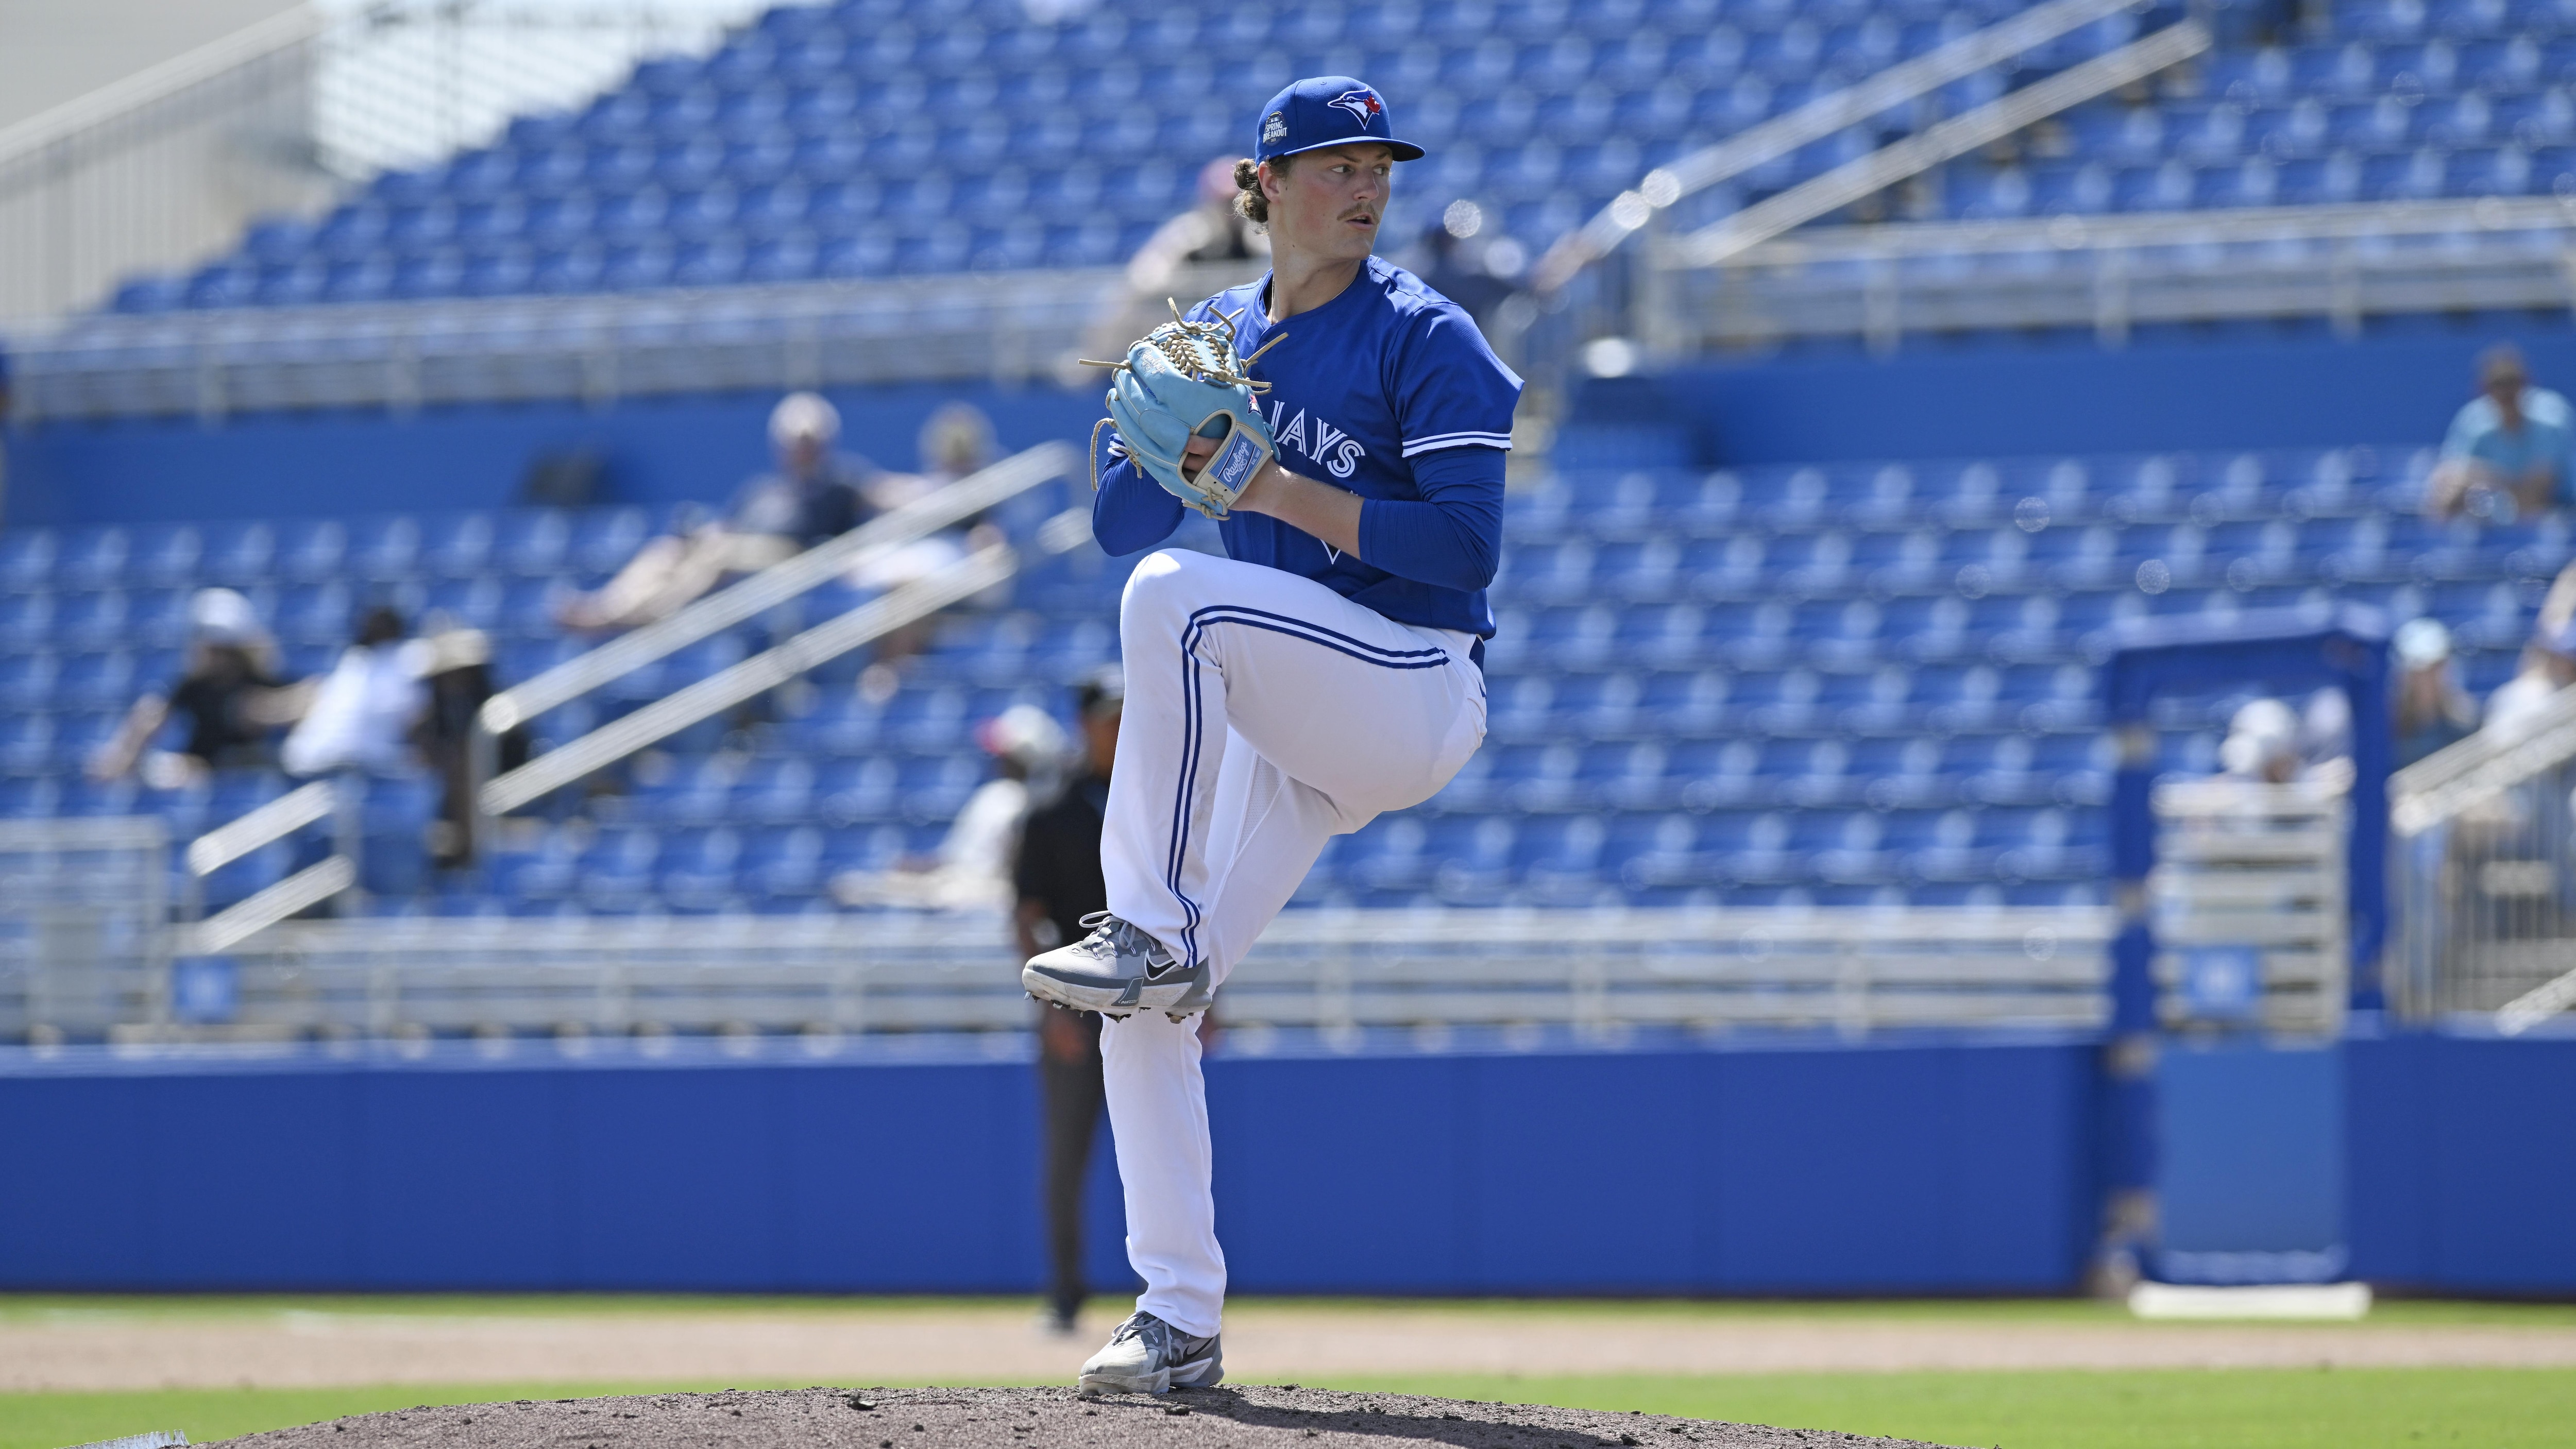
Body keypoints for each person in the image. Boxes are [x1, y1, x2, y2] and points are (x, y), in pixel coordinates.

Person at [1019, 77, 1513, 1395]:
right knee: (1143, 1002)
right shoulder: (1218, 337)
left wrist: (1268, 483)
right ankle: (1176, 1314)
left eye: (1378, 164)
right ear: (1264, 187)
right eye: (1335, 163)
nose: (1365, 185)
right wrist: (1139, 422)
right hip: (1291, 708)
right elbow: (1124, 526)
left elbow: (1467, 548)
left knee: (1175, 604)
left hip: (1412, 681)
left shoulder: (1425, 334)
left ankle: (1150, 919)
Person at [555, 391, 876, 632]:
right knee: (669, 549)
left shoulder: (841, 481)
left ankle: (650, 617)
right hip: (737, 547)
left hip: (790, 558)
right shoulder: (761, 489)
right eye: (794, 440)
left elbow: (887, 494)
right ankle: (608, 608)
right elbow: (727, 526)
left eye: (809, 440)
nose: (802, 449)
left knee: (720, 553)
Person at [1012, 668, 1123, 1337]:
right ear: (1084, 723)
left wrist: (1212, 997)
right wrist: (1051, 1005)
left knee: (1169, 1151)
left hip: (1153, 996)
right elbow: (1028, 916)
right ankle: (1066, 1292)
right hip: (1076, 1002)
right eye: (1110, 716)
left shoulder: (1156, 796)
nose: (1121, 726)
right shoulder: (1053, 810)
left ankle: (1172, 1298)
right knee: (1067, 1158)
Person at [832, 703, 1064, 910]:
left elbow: (1010, 875)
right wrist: (916, 868)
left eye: (1007, 757)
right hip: (960, 884)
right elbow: (957, 860)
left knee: (883, 892)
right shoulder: (998, 795)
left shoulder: (1025, 805)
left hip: (985, 897)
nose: (998, 762)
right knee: (861, 886)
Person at [88, 588, 304, 788]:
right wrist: (126, 752)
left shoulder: (260, 681)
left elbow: (306, 697)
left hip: (249, 772)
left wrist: (271, 711)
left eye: (220, 649)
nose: (212, 655)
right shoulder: (193, 686)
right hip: (202, 770)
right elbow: (152, 717)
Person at [2426, 344, 2575, 522]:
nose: (2506, 392)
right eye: (2498, 384)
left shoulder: (2552, 421)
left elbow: (2542, 484)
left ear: (2527, 383)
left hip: (2557, 512)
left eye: (2513, 381)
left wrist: (2486, 476)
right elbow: (2449, 476)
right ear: (2483, 389)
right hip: (2489, 507)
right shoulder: (2472, 423)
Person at [282, 606, 428, 778]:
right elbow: (415, 718)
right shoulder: (406, 658)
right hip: (352, 760)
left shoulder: (353, 659)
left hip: (306, 757)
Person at [2393, 618, 2480, 768]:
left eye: (2436, 667)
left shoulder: (2467, 721)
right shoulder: (2389, 726)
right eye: (2419, 671)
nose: (2427, 678)